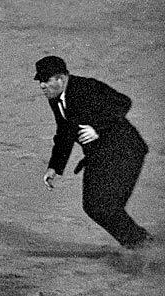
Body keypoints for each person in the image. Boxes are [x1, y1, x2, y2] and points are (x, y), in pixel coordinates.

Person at [34, 56, 152, 249]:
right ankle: (139, 243)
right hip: (99, 156)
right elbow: (64, 132)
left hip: (125, 151)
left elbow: (123, 102)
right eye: (40, 81)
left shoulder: (87, 88)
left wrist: (97, 127)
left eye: (46, 80)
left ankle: (141, 244)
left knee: (105, 206)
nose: (42, 86)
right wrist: (55, 166)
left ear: (61, 79)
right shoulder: (56, 97)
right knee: (93, 207)